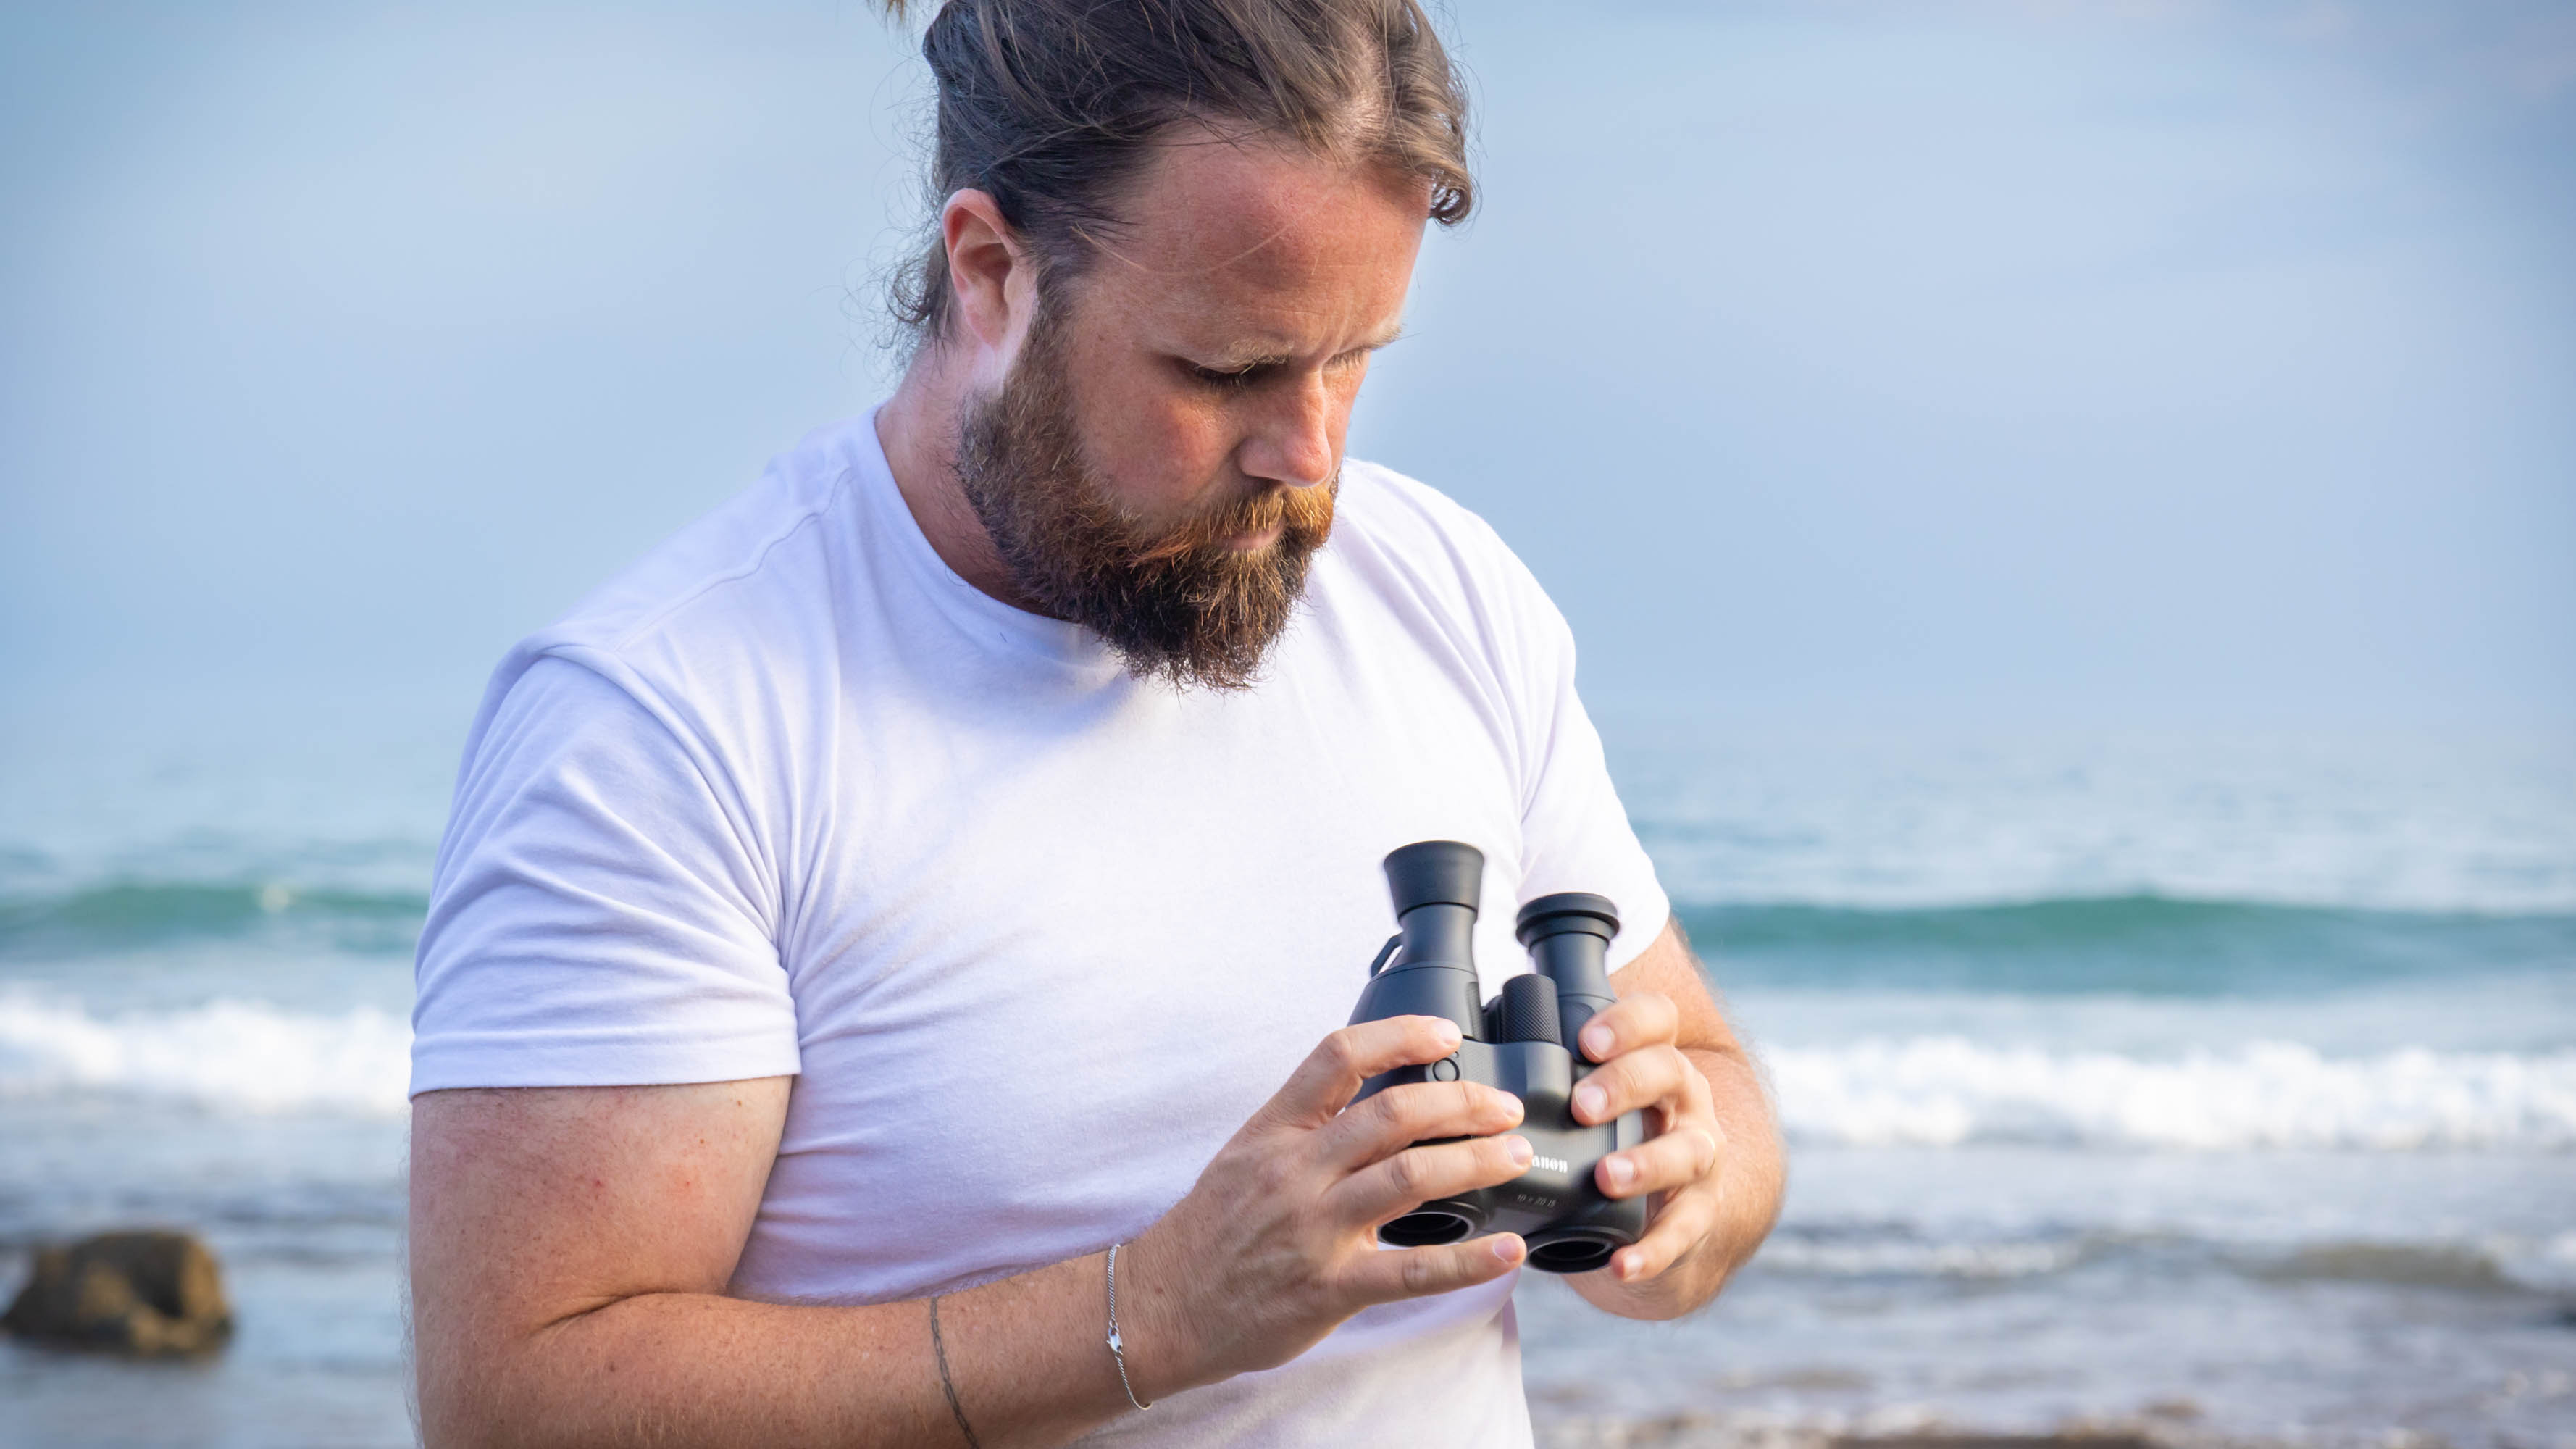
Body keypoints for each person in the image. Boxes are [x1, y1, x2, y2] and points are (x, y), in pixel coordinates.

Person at [404, 1, 1785, 1444]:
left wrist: (1688, 1187)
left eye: (1353, 357)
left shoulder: (1441, 587)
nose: (1308, 457)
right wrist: (1157, 1309)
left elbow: (1706, 1075)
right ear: (991, 272)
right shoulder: (660, 723)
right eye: (1228, 371)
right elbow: (519, 1402)